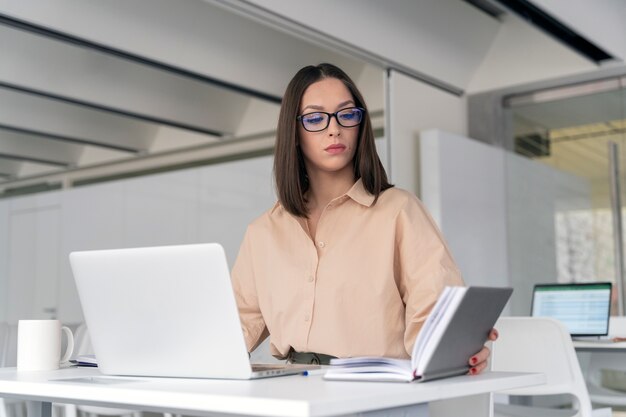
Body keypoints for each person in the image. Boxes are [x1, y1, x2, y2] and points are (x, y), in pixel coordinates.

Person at [231, 63, 496, 373]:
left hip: (377, 390)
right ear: (294, 131)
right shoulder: (263, 231)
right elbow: (235, 324)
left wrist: (458, 346)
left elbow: (435, 313)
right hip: (293, 390)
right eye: (316, 118)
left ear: (360, 124)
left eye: (347, 114)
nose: (334, 129)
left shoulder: (399, 211)